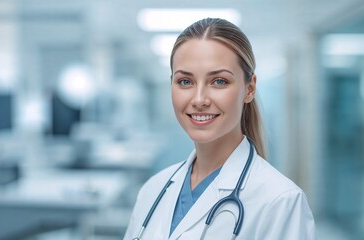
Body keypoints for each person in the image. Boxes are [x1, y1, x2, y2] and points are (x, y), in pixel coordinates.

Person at [123, 18, 315, 240]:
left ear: (249, 89)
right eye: (185, 81)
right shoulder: (153, 189)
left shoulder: (281, 202)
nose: (199, 99)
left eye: (219, 81)